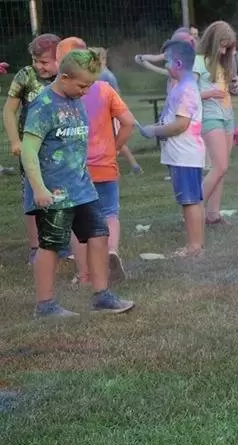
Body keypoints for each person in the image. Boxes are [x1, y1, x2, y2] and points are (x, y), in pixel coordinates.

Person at [21, 49, 134, 317]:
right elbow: (28, 151)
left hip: (82, 187)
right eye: (82, 85)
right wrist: (39, 188)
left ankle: (102, 296)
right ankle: (45, 306)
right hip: (54, 191)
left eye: (90, 85)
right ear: (64, 77)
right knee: (50, 245)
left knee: (99, 234)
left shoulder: (75, 99)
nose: (86, 91)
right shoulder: (43, 105)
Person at [137, 39, 206, 258]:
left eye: (166, 61)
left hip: (185, 154)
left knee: (189, 201)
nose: (165, 66)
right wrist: (157, 126)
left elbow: (181, 124)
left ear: (178, 63)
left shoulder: (187, 90)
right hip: (180, 155)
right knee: (190, 200)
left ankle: (194, 247)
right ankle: (195, 244)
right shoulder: (180, 87)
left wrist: (154, 131)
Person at [71, 58, 136, 285]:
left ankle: (84, 274)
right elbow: (128, 122)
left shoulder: (65, 92)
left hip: (77, 168)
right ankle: (111, 251)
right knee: (109, 213)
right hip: (106, 165)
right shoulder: (105, 90)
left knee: (78, 219)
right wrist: (115, 147)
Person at [3, 33, 61, 265]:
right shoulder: (26, 75)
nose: (38, 66)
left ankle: (61, 243)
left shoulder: (68, 77)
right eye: (35, 60)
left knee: (61, 194)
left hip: (60, 148)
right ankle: (36, 247)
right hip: (31, 149)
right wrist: (15, 141)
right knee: (31, 195)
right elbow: (9, 111)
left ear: (60, 58)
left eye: (44, 62)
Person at [194, 21, 238, 226]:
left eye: (227, 48)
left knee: (221, 167)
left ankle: (213, 214)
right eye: (221, 46)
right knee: (220, 166)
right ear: (213, 42)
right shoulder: (198, 62)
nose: (223, 51)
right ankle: (193, 210)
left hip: (227, 114)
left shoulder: (223, 63)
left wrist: (237, 84)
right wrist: (209, 93)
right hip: (210, 115)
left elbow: (227, 87)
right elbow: (186, 94)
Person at [93, 46, 143, 176]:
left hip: (111, 113)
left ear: (102, 59)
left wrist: (115, 109)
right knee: (114, 141)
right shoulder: (98, 74)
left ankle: (118, 167)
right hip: (103, 112)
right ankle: (134, 166)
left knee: (115, 141)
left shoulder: (106, 75)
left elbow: (116, 94)